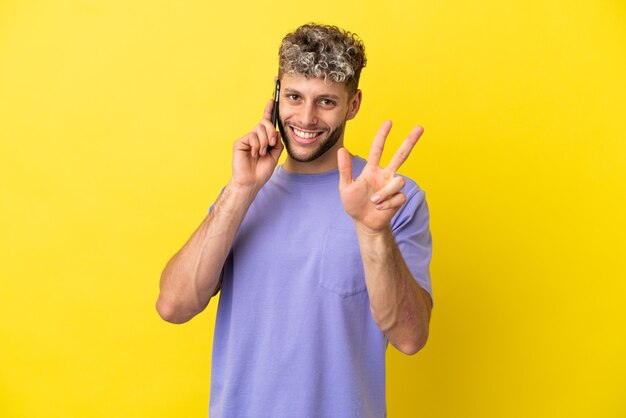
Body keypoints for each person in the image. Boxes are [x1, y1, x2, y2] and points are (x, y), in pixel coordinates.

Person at [157, 23, 433, 418]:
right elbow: (173, 305)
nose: (305, 117)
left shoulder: (391, 201)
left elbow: (410, 337)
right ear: (276, 95)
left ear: (353, 105)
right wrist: (241, 189)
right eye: (294, 97)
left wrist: (373, 232)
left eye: (326, 102)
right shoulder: (242, 192)